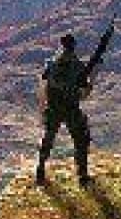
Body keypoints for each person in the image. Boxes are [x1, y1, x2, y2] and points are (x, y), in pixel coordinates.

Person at [36, 32, 98, 184]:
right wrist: (92, 78)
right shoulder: (77, 66)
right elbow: (84, 94)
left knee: (48, 140)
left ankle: (40, 171)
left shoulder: (51, 63)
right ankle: (82, 175)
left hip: (54, 108)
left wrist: (43, 107)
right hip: (70, 109)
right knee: (81, 140)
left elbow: (43, 85)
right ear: (74, 47)